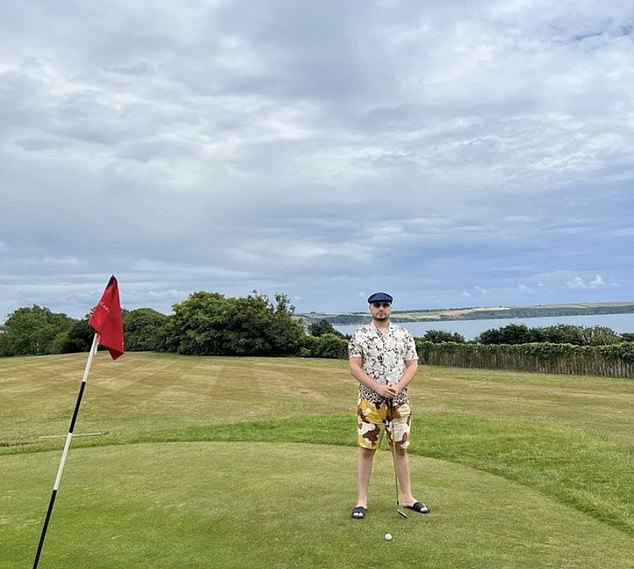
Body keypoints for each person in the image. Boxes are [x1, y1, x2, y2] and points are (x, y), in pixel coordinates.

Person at [348, 292, 430, 519]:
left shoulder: (403, 335)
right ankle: (362, 500)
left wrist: (398, 386)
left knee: (401, 449)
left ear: (390, 308)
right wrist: (377, 387)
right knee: (367, 450)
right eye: (376, 305)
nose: (380, 309)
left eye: (384, 305)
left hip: (399, 402)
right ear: (370, 309)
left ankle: (408, 497)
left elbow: (412, 365)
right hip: (370, 402)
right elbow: (355, 367)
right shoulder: (360, 336)